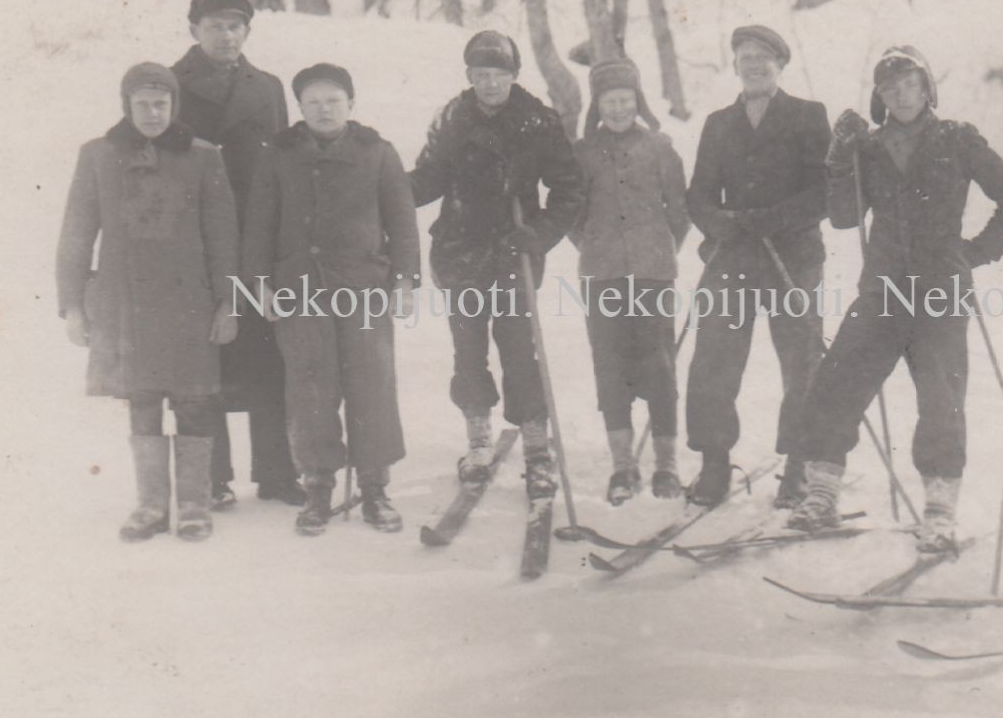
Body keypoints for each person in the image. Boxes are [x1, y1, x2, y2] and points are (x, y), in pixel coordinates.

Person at [785, 46, 1003, 550]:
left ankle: (939, 511)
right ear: (879, 96)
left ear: (926, 88)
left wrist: (976, 252)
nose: (900, 93)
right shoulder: (869, 148)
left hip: (941, 289)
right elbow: (846, 218)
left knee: (941, 401)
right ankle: (821, 495)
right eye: (889, 87)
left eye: (909, 83)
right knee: (835, 384)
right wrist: (839, 163)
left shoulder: (956, 138)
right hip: (883, 288)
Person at [56, 63, 239, 542]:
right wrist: (73, 305)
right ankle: (152, 505)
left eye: (161, 104)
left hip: (190, 301)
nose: (153, 113)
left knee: (194, 400)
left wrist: (228, 303)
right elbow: (76, 234)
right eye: (142, 105)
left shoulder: (204, 158)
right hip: (125, 303)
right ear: (126, 106)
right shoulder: (98, 155)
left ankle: (195, 504)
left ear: (174, 105)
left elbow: (223, 238)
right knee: (141, 400)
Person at [242, 64, 421, 536]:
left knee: (372, 384)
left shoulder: (377, 153)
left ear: (351, 105)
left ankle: (375, 488)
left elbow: (402, 222)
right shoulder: (278, 155)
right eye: (314, 101)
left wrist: (405, 282)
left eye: (334, 100)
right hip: (299, 288)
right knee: (310, 387)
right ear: (300, 108)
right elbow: (260, 223)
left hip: (364, 289)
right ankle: (318, 488)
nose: (324, 109)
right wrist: (260, 283)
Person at [408, 31, 584, 506]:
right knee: (467, 351)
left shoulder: (537, 121)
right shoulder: (452, 118)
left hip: (514, 252)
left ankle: (536, 449)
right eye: (480, 74)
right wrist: (386, 192)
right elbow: (428, 178)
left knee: (519, 351)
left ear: (513, 75)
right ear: (469, 76)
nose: (489, 84)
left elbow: (570, 191)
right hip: (460, 250)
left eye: (498, 74)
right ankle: (479, 444)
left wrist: (541, 234)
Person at [683, 25, 830, 508]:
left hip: (791, 256)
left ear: (780, 66)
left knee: (801, 360)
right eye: (745, 58)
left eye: (763, 59)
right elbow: (698, 196)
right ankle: (714, 463)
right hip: (735, 255)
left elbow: (821, 193)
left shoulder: (809, 116)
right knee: (714, 358)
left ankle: (800, 466)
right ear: (735, 66)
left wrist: (771, 219)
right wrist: (719, 223)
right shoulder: (718, 123)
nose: (754, 66)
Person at [171, 0, 302, 510]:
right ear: (194, 30)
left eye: (235, 26)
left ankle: (276, 472)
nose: (226, 35)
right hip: (198, 242)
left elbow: (283, 164)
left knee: (269, 355)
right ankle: (213, 478)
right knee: (207, 360)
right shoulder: (171, 84)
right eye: (214, 25)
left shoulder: (267, 87)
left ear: (247, 31)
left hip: (257, 236)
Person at [569, 59, 692, 503]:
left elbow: (680, 213)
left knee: (659, 367)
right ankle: (623, 466)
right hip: (602, 276)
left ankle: (666, 466)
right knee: (610, 366)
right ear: (597, 106)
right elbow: (572, 215)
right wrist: (597, 246)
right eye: (609, 101)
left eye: (625, 100)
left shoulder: (660, 148)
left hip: (653, 275)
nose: (618, 109)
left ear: (637, 102)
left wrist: (656, 249)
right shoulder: (582, 154)